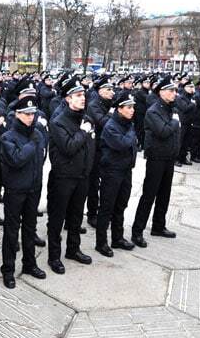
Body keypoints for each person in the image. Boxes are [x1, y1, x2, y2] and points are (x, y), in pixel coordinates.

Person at [48, 77, 95, 274]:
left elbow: (92, 147)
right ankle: (54, 256)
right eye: (77, 96)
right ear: (68, 99)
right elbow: (68, 147)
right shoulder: (58, 122)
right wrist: (83, 133)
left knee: (76, 216)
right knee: (57, 218)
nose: (82, 99)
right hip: (63, 177)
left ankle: (73, 249)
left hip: (82, 175)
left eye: (83, 95)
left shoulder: (86, 119)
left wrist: (88, 168)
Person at [0, 96, 47, 289]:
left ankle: (29, 264)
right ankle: (8, 269)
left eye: (32, 114)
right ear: (17, 115)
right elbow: (16, 160)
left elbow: (42, 158)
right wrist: (31, 144)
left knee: (30, 228)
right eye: (26, 114)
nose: (30, 117)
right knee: (11, 231)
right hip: (15, 190)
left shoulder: (38, 134)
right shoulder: (8, 137)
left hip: (33, 188)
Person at [131, 75, 180, 248]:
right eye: (171, 91)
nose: (174, 93)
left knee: (164, 194)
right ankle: (137, 231)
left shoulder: (170, 109)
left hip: (169, 157)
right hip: (156, 157)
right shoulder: (154, 111)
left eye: (175, 90)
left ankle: (159, 226)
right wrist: (174, 122)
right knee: (149, 194)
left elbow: (173, 132)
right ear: (162, 93)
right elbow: (163, 131)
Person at [95, 92, 138, 257]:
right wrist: (131, 135)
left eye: (132, 107)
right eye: (128, 107)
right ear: (119, 109)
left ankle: (117, 238)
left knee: (121, 205)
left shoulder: (128, 124)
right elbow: (123, 143)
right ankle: (101, 242)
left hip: (125, 170)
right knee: (106, 207)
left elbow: (131, 143)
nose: (132, 110)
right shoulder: (111, 126)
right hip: (112, 171)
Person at [85, 76, 114, 228]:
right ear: (100, 90)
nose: (112, 92)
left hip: (108, 148)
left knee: (107, 183)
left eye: (112, 89)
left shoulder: (110, 103)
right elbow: (103, 122)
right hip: (96, 149)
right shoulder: (93, 104)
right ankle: (92, 213)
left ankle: (105, 211)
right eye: (108, 89)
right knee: (93, 183)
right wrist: (113, 113)